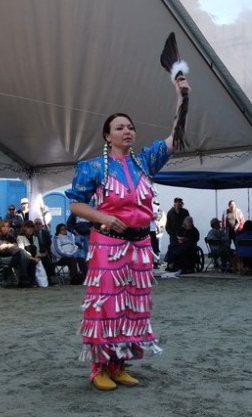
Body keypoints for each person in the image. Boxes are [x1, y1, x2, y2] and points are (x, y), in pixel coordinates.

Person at [64, 75, 190, 391]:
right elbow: (76, 205)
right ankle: (99, 369)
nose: (127, 131)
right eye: (120, 127)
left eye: (130, 127)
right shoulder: (93, 167)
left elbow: (175, 138)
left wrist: (182, 99)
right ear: (107, 136)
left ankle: (119, 366)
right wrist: (103, 217)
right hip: (108, 245)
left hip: (140, 245)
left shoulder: (145, 161)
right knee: (106, 306)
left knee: (133, 306)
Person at [0, 220, 34, 288]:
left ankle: (26, 280)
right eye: (3, 226)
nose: (6, 228)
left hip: (12, 256)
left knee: (24, 256)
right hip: (0, 258)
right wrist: (1, 248)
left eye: (7, 226)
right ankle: (24, 279)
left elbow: (16, 248)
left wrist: (9, 246)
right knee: (25, 256)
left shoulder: (10, 237)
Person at [17, 220, 46, 287]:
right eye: (28, 228)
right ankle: (27, 280)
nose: (30, 229)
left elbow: (37, 249)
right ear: (24, 228)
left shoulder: (35, 237)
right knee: (31, 262)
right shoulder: (20, 237)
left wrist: (38, 257)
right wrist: (32, 258)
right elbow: (22, 250)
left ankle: (47, 279)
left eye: (32, 228)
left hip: (34, 256)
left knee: (45, 259)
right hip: (25, 256)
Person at [34, 217, 58, 285]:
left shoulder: (46, 233)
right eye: (36, 224)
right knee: (43, 260)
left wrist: (46, 252)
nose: (38, 225)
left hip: (46, 252)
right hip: (36, 253)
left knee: (49, 259)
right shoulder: (32, 233)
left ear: (42, 225)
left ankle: (51, 279)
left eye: (39, 224)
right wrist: (39, 253)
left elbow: (49, 244)